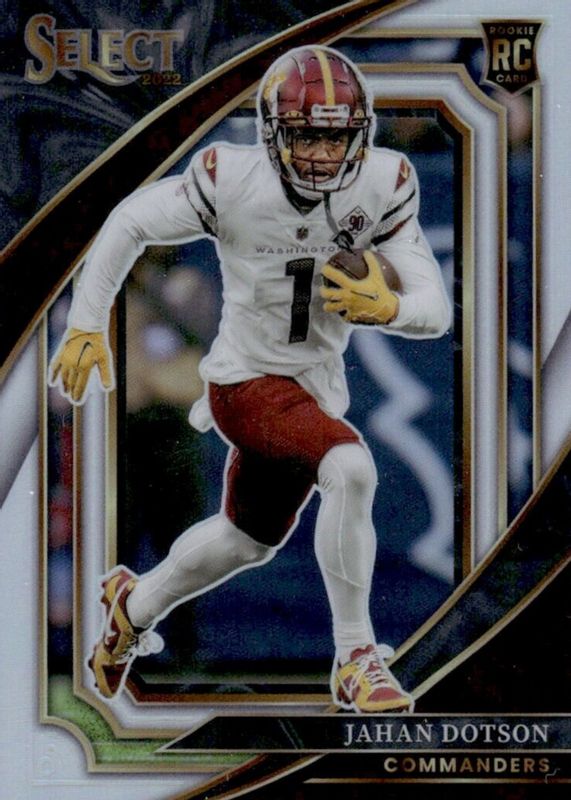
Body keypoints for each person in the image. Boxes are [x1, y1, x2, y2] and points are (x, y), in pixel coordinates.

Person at [49, 45, 450, 712]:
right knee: (350, 467)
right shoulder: (231, 178)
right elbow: (129, 221)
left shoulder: (384, 182)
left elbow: (434, 310)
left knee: (245, 542)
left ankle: (133, 608)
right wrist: (87, 322)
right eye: (304, 135)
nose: (321, 154)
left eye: (335, 137)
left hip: (313, 388)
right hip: (247, 381)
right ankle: (356, 657)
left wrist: (391, 309)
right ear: (270, 132)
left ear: (360, 134)